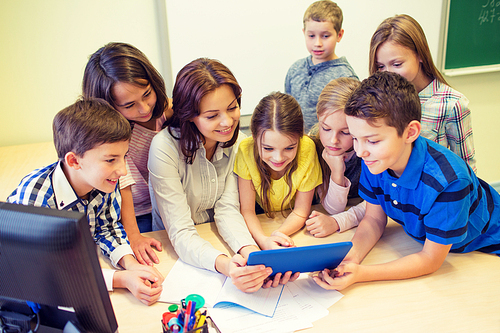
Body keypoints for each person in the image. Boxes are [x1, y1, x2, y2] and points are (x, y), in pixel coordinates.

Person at [313, 72, 500, 291]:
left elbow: (431, 259)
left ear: (410, 132)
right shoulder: (375, 158)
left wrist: (362, 274)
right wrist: (350, 260)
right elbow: (373, 220)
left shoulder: (449, 181)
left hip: (485, 249)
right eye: (355, 138)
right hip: (444, 247)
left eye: (372, 140)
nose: (360, 150)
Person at [149, 58, 291, 292]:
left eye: (232, 108)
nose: (227, 122)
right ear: (189, 115)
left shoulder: (240, 145)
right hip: (173, 254)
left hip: (215, 239)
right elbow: (181, 232)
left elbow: (227, 210)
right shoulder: (164, 148)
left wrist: (252, 257)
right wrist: (226, 265)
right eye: (212, 115)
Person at [7, 98, 164, 305]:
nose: (123, 170)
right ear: (74, 161)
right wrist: (120, 279)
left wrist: (131, 264)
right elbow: (47, 273)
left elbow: (107, 228)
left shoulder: (105, 180)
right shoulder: (35, 200)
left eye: (124, 156)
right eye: (111, 160)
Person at [83, 42, 173, 266]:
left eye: (147, 94)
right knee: (148, 260)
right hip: (132, 212)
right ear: (109, 106)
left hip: (167, 201)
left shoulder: (165, 110)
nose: (144, 108)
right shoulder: (111, 136)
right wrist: (133, 236)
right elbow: (124, 185)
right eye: (130, 104)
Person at [369, 14, 476, 171]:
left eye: (397, 64)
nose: (388, 74)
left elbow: (466, 168)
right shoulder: (377, 98)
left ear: (420, 54)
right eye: (381, 66)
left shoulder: (452, 104)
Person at [234, 92, 322, 251]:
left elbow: (301, 211)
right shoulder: (245, 150)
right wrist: (262, 240)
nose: (278, 158)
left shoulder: (307, 148)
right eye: (268, 148)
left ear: (300, 138)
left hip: (292, 222)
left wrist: (277, 235)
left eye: (289, 148)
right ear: (254, 137)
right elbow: (247, 211)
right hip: (260, 220)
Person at [285, 0, 358, 132]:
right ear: (304, 33)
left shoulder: (345, 76)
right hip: (298, 144)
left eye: (325, 36)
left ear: (339, 35)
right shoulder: (295, 69)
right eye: (311, 35)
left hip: (330, 147)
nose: (317, 43)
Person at [306, 78, 366, 237]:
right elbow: (333, 209)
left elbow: (377, 206)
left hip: (357, 229)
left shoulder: (368, 150)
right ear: (318, 118)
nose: (333, 140)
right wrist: (337, 172)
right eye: (326, 128)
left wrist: (339, 221)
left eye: (345, 132)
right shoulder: (314, 146)